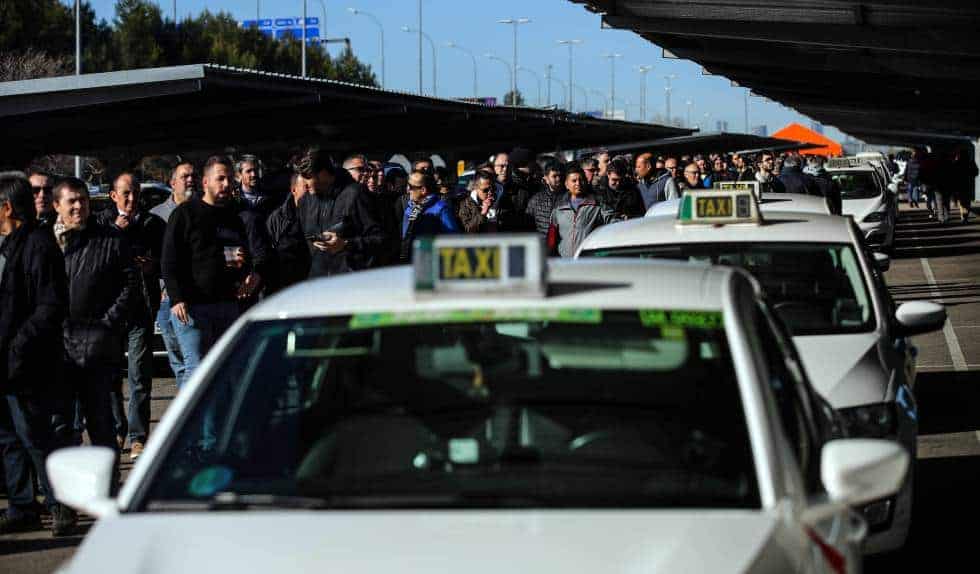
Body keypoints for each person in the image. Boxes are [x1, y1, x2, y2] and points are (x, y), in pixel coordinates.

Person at [0, 175, 74, 536]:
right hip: (6, 362)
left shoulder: (37, 246)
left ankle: (59, 504)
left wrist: (17, 346)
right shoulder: (6, 246)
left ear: (7, 207)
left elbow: (49, 307)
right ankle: (22, 505)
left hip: (28, 363)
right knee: (9, 437)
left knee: (36, 435)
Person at [53, 177, 135, 455]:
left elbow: (128, 285)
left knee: (101, 426)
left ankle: (108, 490)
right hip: (56, 351)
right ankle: (60, 494)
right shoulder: (45, 243)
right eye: (71, 201)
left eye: (83, 200)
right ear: (57, 206)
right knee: (61, 427)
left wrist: (106, 325)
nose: (79, 207)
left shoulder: (110, 239)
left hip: (98, 350)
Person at [161, 156, 258, 384]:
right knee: (197, 372)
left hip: (226, 303)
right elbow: (169, 260)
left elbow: (243, 254)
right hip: (193, 308)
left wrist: (246, 272)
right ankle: (192, 420)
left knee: (226, 371)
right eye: (220, 179)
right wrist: (177, 298)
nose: (226, 184)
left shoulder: (233, 217)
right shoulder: (185, 214)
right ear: (205, 182)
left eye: (229, 179)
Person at [97, 171, 165, 460]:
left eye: (135, 192)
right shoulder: (101, 223)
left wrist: (153, 266)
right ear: (113, 196)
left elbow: (166, 260)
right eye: (125, 192)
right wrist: (115, 231)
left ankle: (138, 437)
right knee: (111, 376)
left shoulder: (152, 223)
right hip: (110, 310)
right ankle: (116, 429)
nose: (132, 198)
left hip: (141, 306)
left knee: (139, 375)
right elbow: (94, 260)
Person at [294, 147, 385, 276]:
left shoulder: (355, 194)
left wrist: (346, 244)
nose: (304, 183)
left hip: (349, 283)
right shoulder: (306, 200)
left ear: (323, 173)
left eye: (308, 177)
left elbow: (381, 239)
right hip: (317, 283)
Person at [149, 161, 195, 389]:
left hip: (196, 296)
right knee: (178, 361)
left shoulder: (202, 210)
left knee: (194, 359)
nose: (190, 180)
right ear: (172, 182)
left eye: (193, 176)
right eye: (185, 176)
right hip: (166, 299)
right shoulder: (156, 217)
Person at [547, 167, 615, 257]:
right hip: (565, 263)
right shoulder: (559, 208)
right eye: (574, 181)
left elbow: (614, 225)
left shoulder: (597, 204)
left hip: (589, 261)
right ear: (566, 184)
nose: (578, 183)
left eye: (581, 180)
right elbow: (552, 239)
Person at [266, 173, 313, 289]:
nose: (310, 191)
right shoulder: (278, 218)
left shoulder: (319, 212)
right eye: (305, 187)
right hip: (286, 282)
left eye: (311, 186)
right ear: (294, 190)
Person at [400, 171, 460, 261]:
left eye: (411, 187)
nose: (408, 189)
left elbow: (453, 238)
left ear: (423, 190)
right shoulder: (409, 208)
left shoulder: (440, 208)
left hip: (433, 262)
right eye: (408, 185)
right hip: (411, 261)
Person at [525, 161, 566, 237]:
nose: (558, 179)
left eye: (560, 176)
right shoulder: (536, 200)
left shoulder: (569, 198)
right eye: (554, 176)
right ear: (546, 178)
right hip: (543, 243)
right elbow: (528, 225)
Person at [950, 147, 978, 223]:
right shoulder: (971, 162)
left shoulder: (957, 162)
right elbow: (976, 172)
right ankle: (965, 216)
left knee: (961, 201)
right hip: (968, 184)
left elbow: (952, 174)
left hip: (959, 185)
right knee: (967, 201)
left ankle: (963, 215)